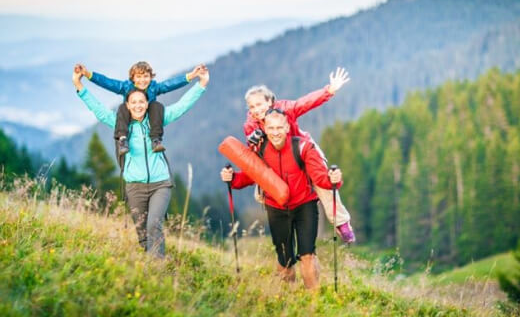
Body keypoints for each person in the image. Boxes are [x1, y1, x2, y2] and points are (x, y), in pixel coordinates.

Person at [73, 64, 209, 258]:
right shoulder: (120, 124)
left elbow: (182, 106)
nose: (138, 105)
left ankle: (158, 267)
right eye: (134, 102)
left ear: (147, 103)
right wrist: (79, 84)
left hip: (160, 183)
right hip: (134, 185)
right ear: (127, 105)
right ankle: (150, 265)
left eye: (142, 102)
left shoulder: (157, 120)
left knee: (154, 224)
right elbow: (98, 109)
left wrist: (201, 84)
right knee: (142, 233)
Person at [221, 108, 343, 289]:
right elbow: (249, 177)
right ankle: (288, 298)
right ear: (265, 128)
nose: (275, 132)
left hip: (304, 207)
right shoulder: (260, 150)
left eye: (279, 127)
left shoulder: (303, 148)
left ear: (287, 127)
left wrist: (334, 180)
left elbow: (320, 178)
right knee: (285, 261)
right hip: (276, 208)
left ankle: (313, 302)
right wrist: (232, 178)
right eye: (271, 128)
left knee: (307, 255)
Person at [243, 67, 355, 243]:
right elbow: (253, 153)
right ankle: (285, 218)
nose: (255, 110)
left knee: (322, 180)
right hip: (277, 160)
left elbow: (304, 103)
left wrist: (329, 90)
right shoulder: (251, 125)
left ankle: (341, 222)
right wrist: (253, 142)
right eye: (251, 107)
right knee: (260, 193)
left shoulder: (285, 109)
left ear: (270, 101)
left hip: (301, 150)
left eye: (259, 104)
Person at [75, 61, 201, 155]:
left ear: (151, 77)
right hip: (129, 116)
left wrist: (190, 76)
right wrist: (88, 74)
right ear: (133, 78)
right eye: (139, 77)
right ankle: (123, 140)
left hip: (148, 114)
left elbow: (170, 84)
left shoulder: (154, 87)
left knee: (156, 106)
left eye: (146, 76)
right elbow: (108, 82)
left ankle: (155, 140)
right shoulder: (125, 87)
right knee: (123, 108)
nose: (142, 80)